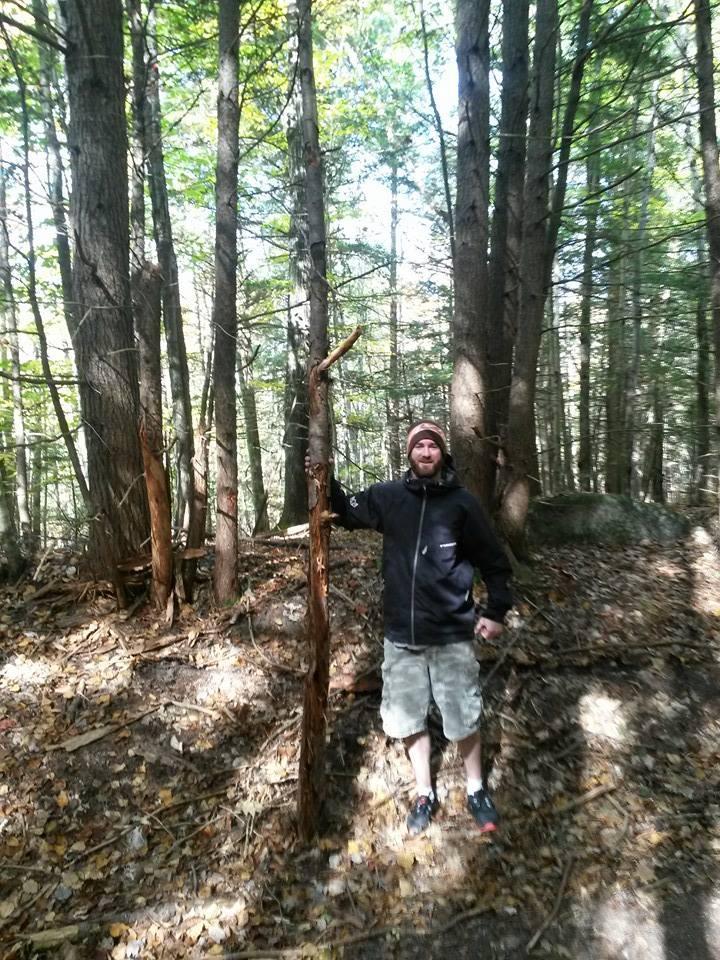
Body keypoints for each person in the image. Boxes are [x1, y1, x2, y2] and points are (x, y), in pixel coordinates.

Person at [327, 420, 513, 835]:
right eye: (419, 446)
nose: (426, 452)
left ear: (442, 454)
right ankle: (424, 792)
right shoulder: (388, 498)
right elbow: (343, 510)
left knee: (463, 718)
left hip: (450, 634)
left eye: (432, 446)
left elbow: (495, 563)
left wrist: (496, 610)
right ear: (409, 454)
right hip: (402, 638)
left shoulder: (463, 504)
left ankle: (476, 788)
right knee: (408, 720)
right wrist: (321, 473)